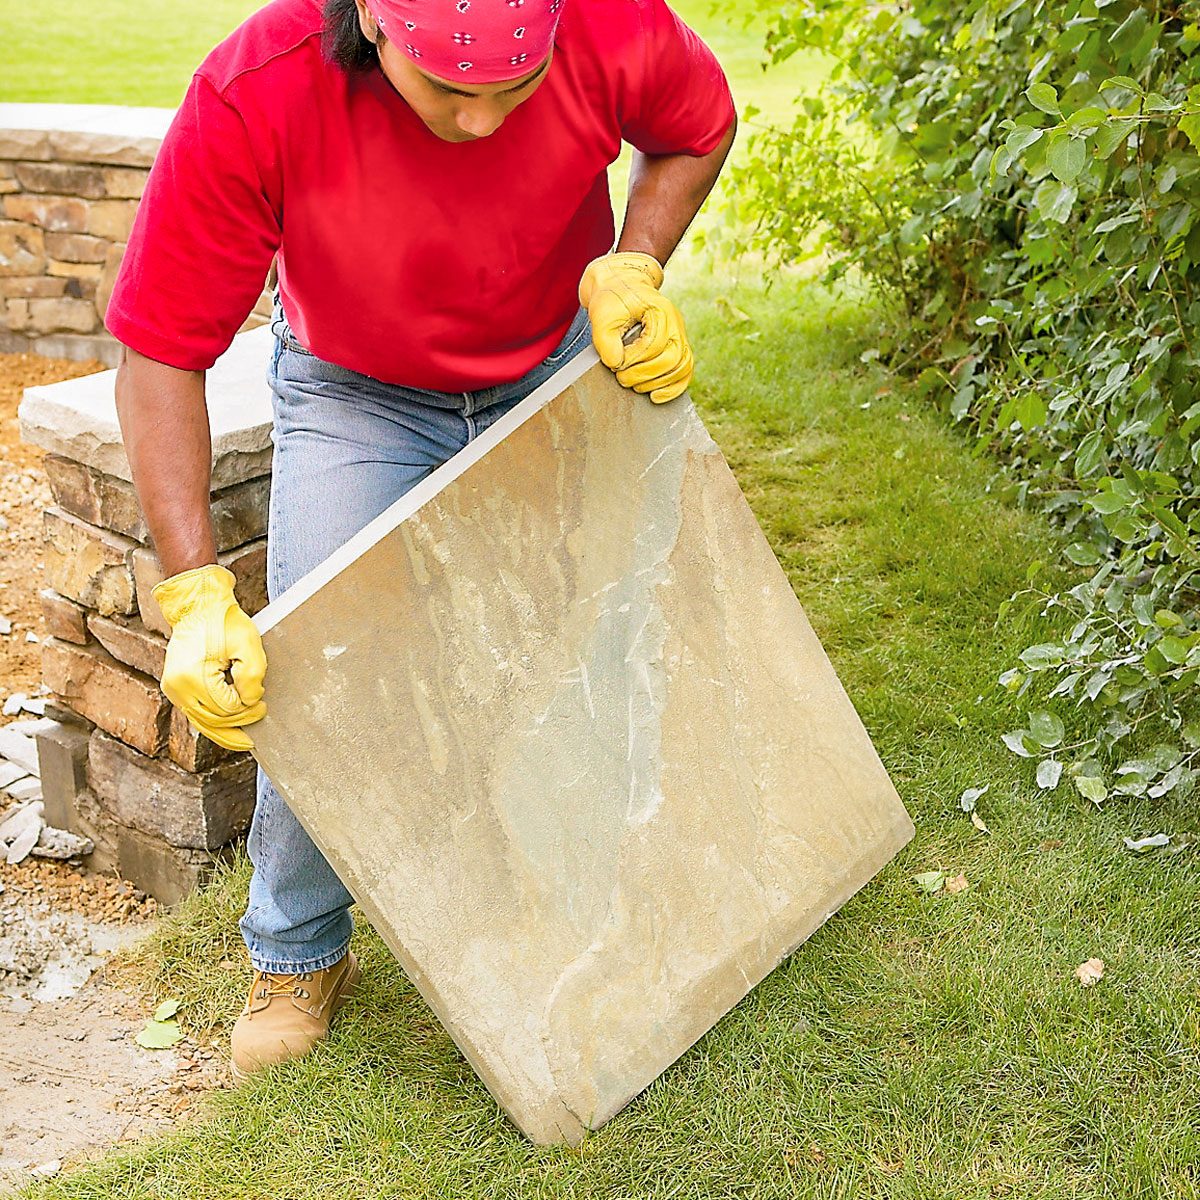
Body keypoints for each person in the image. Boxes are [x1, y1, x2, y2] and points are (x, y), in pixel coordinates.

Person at [106, 0, 735, 1077]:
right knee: (319, 667)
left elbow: (700, 122)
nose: (482, 122)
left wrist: (635, 260)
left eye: (512, 88)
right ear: (369, 23)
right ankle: (298, 951)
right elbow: (162, 350)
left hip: (554, 357)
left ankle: (599, 904)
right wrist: (196, 588)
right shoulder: (257, 90)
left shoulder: (607, 23)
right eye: (449, 88)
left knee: (601, 631)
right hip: (360, 390)